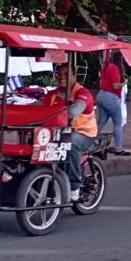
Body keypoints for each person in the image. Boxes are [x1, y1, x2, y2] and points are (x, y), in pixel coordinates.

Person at [43, 64, 98, 201]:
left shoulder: (83, 93)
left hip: (84, 134)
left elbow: (76, 109)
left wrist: (69, 112)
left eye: (66, 74)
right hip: (58, 133)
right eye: (59, 74)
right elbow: (39, 109)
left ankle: (74, 186)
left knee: (70, 142)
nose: (61, 77)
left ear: (74, 76)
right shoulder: (52, 94)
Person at [96, 50, 130, 156]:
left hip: (101, 95)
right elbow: (116, 86)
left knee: (100, 123)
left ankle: (91, 144)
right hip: (111, 97)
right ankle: (118, 149)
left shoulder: (107, 67)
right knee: (118, 123)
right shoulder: (114, 68)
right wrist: (124, 83)